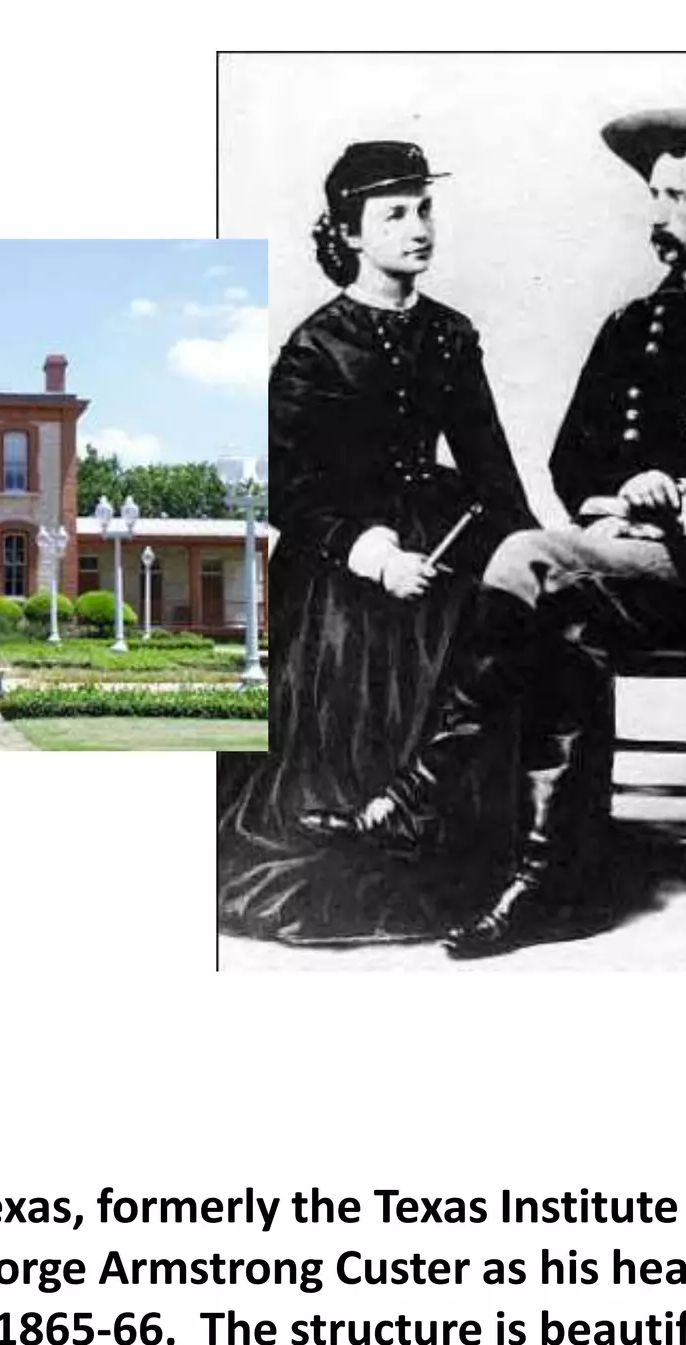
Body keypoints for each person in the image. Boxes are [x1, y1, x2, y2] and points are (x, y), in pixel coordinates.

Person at [316, 109, 686, 959]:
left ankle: (421, 790)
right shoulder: (631, 325)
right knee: (559, 627)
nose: (658, 211)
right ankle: (545, 877)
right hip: (635, 570)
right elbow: (571, 461)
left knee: (528, 556)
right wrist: (621, 494)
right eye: (653, 193)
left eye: (677, 195)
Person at [215, 141, 535, 944]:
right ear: (351, 234)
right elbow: (294, 490)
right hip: (341, 563)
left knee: (488, 632)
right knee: (366, 656)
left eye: (424, 208)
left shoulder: (452, 335)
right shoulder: (313, 348)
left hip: (445, 535)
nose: (418, 227)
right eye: (395, 213)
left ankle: (478, 850)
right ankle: (361, 824)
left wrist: (527, 557)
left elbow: (492, 470)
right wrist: (373, 551)